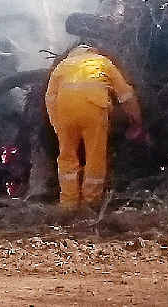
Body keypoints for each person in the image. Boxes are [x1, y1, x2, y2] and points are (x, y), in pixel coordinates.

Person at [45, 45, 144, 210]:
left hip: (65, 113)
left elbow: (50, 98)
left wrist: (57, 124)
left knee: (67, 157)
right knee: (94, 156)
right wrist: (136, 118)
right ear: (92, 52)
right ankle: (91, 202)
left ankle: (68, 205)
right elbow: (125, 94)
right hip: (93, 110)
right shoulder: (102, 62)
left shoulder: (62, 66)